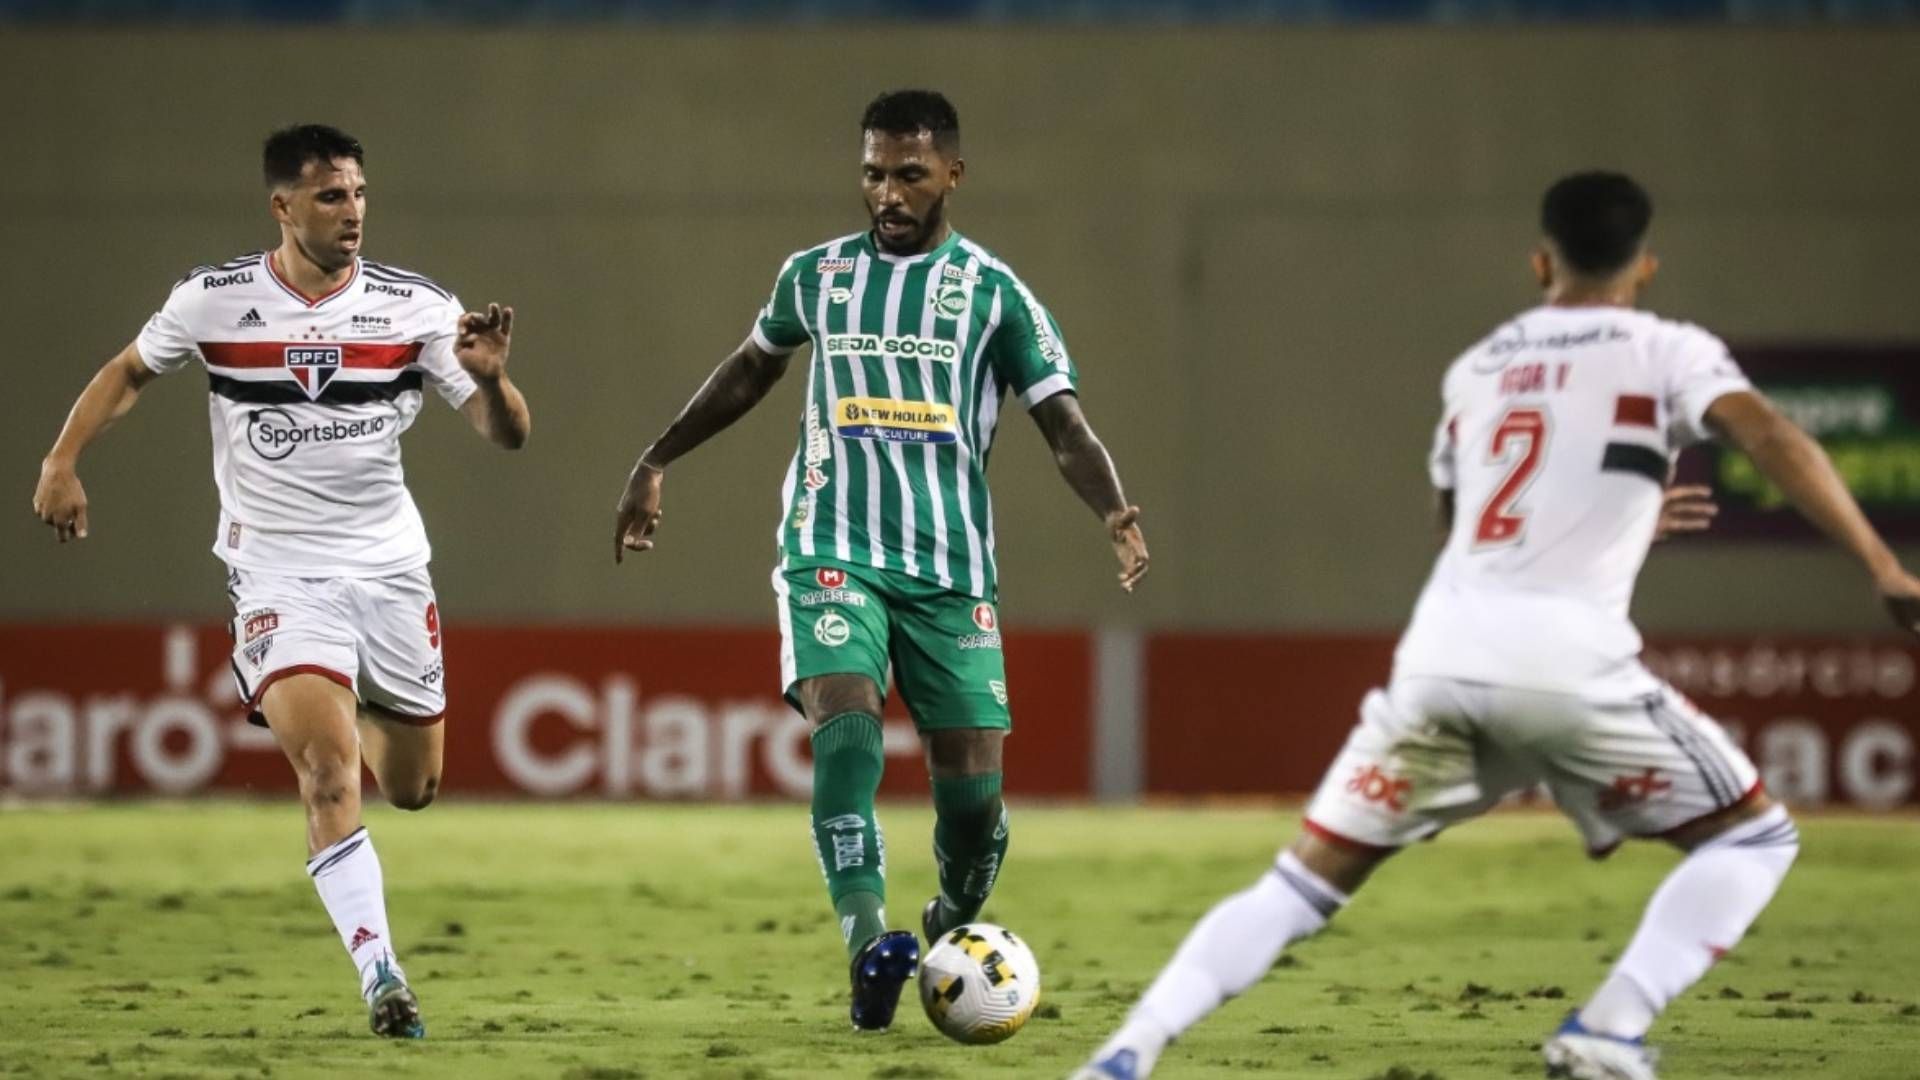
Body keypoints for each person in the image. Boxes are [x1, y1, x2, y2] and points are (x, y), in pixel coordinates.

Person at [1072, 171, 1920, 1080]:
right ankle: (1609, 1028)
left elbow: (1465, 525)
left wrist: (1617, 509)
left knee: (1297, 885)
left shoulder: (1479, 367)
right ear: (1645, 265)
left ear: (1540, 260)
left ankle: (1125, 1053)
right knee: (1755, 837)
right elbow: (1774, 439)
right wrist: (1881, 563)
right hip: (1569, 666)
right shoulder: (1668, 348)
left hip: (1440, 661)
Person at [612, 89, 1149, 1032]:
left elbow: (1061, 422)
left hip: (949, 572)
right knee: (848, 724)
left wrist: (1114, 510)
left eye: (908, 175)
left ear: (952, 175)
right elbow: (751, 368)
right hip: (831, 547)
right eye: (872, 174)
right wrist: (655, 459)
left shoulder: (995, 293)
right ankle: (869, 950)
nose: (888, 194)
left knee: (975, 812)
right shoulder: (814, 276)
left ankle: (951, 920)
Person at [32, 123, 531, 1039]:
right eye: (333, 196)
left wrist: (493, 384)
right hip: (276, 574)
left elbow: (509, 436)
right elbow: (129, 371)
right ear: (283, 206)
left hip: (388, 571)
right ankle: (382, 974)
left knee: (413, 788)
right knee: (327, 772)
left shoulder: (415, 308)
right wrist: (63, 459)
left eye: (360, 194)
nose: (354, 213)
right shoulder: (215, 300)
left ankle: (369, 701)